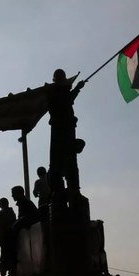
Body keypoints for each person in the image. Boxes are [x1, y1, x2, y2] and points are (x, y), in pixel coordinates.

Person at [45, 69, 85, 200]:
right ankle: (60, 191)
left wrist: (75, 89)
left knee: (69, 163)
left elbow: (67, 100)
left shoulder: (59, 91)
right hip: (60, 130)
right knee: (62, 163)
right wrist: (77, 89)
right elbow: (66, 101)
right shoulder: (55, 92)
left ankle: (72, 189)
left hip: (65, 129)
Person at [0, 198, 15, 276]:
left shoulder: (4, 213)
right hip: (1, 236)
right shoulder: (10, 213)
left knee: (0, 256)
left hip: (3, 236)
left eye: (0, 203)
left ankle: (0, 273)